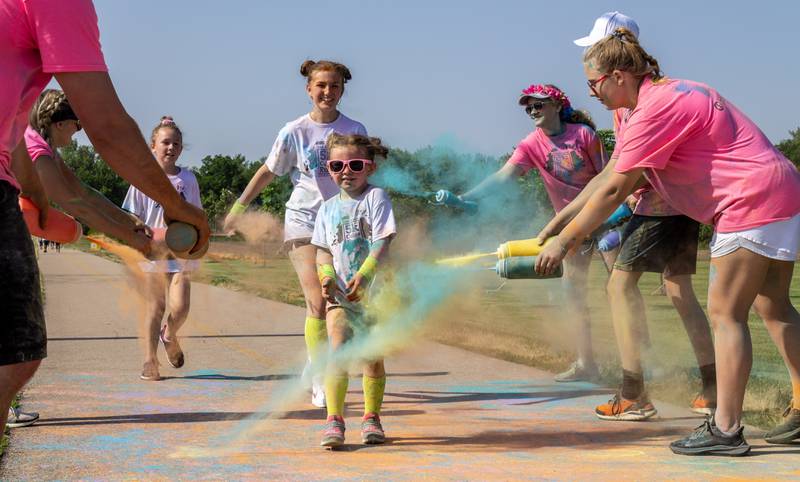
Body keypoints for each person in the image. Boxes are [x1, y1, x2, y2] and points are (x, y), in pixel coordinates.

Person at [535, 28, 800, 456]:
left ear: (619, 76)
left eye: (594, 84)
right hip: (778, 187)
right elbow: (608, 178)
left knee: (726, 313)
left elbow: (615, 188)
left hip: (748, 200)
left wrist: (565, 241)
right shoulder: (667, 94)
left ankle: (726, 428)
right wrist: (560, 223)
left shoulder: (655, 108)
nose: (592, 94)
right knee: (773, 305)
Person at [0, 0, 209, 438]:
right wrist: (179, 209)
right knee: (14, 353)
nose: (77, 136)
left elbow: (63, 188)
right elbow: (106, 133)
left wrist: (37, 203)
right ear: (60, 124)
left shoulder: (24, 133)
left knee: (14, 357)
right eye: (73, 128)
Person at [560, 12, 718, 421]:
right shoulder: (632, 101)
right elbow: (617, 166)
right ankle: (712, 385)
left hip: (660, 205)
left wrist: (569, 233)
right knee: (680, 290)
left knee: (618, 286)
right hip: (676, 201)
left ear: (616, 63)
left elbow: (619, 178)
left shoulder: (641, 103)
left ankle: (634, 392)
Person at [223, 60, 367, 408]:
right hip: (303, 222)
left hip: (341, 227)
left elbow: (365, 175)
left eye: (334, 86)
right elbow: (269, 171)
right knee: (318, 300)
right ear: (308, 89)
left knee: (341, 304)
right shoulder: (294, 131)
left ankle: (312, 366)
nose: (327, 92)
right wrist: (239, 209)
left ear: (342, 89)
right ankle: (320, 377)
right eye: (321, 85)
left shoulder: (354, 129)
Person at [451, 84, 610, 382]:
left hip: (606, 217)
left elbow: (607, 176)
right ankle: (586, 363)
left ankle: (640, 364)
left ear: (557, 105)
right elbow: (504, 176)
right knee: (574, 295)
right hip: (569, 227)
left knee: (620, 287)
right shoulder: (531, 144)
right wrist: (466, 198)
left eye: (539, 105)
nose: (533, 111)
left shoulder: (583, 135)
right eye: (529, 107)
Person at [312, 133, 396, 448]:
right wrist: (325, 276)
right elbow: (322, 250)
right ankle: (334, 420)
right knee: (338, 349)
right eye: (337, 165)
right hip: (340, 298)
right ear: (329, 169)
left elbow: (382, 241)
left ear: (369, 168)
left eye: (355, 164)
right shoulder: (327, 208)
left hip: (375, 294)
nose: (346, 171)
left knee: (372, 356)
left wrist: (365, 274)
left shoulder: (376, 198)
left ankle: (371, 417)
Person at [123, 117, 202, 381]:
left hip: (181, 253)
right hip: (151, 253)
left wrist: (197, 240)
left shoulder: (188, 179)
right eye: (165, 142)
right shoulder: (142, 180)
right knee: (155, 307)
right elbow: (132, 217)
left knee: (180, 308)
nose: (171, 147)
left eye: (176, 143)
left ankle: (169, 334)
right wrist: (143, 234)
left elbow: (196, 215)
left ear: (181, 148)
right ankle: (150, 361)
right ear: (153, 145)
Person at [25, 89, 150, 251]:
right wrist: (130, 237)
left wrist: (130, 221)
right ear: (60, 124)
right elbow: (77, 207)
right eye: (77, 124)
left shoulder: (46, 148)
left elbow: (84, 192)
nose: (79, 129)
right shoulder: (40, 155)